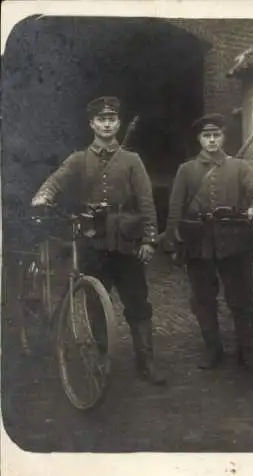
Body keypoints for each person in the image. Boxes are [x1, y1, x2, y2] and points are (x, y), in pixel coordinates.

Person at [31, 96, 165, 385]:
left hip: (127, 244)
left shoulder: (132, 161)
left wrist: (149, 241)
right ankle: (103, 357)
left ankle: (146, 361)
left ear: (117, 123)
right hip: (92, 242)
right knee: (94, 302)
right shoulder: (78, 158)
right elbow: (56, 180)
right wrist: (44, 195)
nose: (107, 124)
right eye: (101, 119)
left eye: (112, 119)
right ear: (91, 124)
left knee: (138, 302)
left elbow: (146, 202)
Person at [162, 113, 253, 373]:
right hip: (198, 244)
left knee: (241, 299)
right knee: (203, 300)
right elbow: (175, 207)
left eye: (216, 135)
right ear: (199, 139)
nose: (211, 141)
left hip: (234, 241)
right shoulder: (186, 170)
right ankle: (213, 349)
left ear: (223, 137)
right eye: (206, 136)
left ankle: (247, 352)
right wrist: (172, 238)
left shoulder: (239, 167)